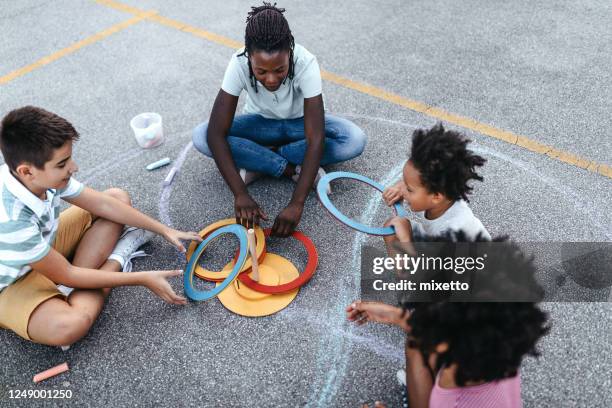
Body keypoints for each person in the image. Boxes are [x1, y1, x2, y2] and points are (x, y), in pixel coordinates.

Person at [0, 106, 202, 347]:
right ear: (27, 171)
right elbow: (68, 274)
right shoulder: (11, 219)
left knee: (116, 197)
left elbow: (104, 204)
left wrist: (163, 229)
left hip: (43, 248)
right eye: (63, 163)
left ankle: (74, 288)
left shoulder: (34, 176)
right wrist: (141, 278)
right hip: (12, 282)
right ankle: (116, 259)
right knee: (69, 327)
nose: (73, 167)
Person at [192, 2, 366, 237]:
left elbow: (315, 139)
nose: (271, 79)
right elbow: (215, 132)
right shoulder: (238, 63)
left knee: (354, 139)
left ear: (290, 52)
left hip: (299, 125)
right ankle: (289, 168)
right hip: (259, 124)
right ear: (249, 56)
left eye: (280, 69)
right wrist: (240, 194)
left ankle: (258, 160)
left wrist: (297, 204)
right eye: (261, 71)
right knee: (202, 136)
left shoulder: (306, 62)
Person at [347, 235, 550, 408]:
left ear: (443, 343)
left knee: (415, 344)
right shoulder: (502, 345)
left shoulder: (451, 401)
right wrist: (396, 316)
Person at [382, 123, 490, 251]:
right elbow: (412, 183)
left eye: (409, 189)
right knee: (392, 227)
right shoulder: (439, 192)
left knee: (401, 230)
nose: (403, 190)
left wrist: (406, 239)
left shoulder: (453, 232)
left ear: (436, 196)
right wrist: (397, 188)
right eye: (404, 183)